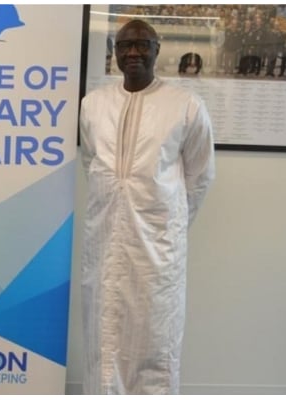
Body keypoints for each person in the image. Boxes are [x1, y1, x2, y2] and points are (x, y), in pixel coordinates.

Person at [78, 19, 215, 394]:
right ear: (115, 52)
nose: (133, 53)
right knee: (102, 332)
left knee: (155, 336)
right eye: (124, 46)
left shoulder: (185, 106)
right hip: (103, 238)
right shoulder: (93, 105)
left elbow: (199, 177)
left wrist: (165, 225)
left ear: (157, 49)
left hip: (157, 249)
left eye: (141, 45)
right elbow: (91, 162)